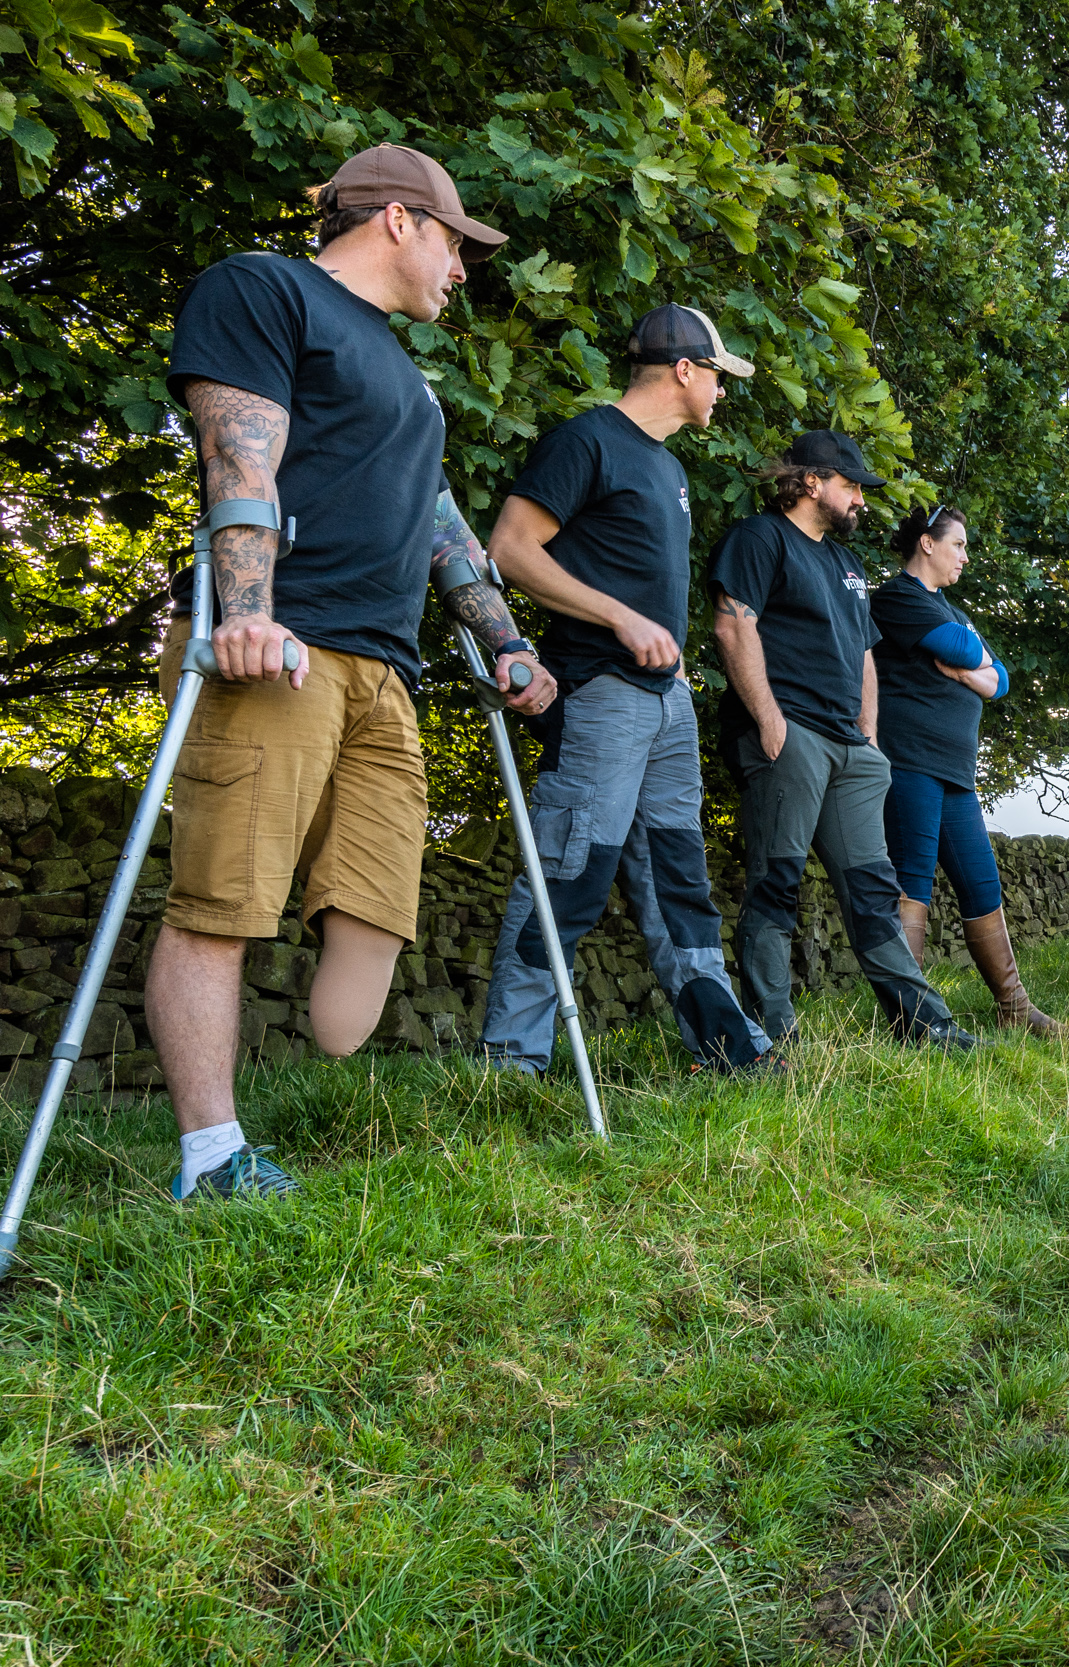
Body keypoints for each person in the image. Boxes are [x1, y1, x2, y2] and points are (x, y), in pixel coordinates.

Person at [153, 144, 551, 1201]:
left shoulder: (408, 380)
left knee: (372, 920)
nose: (464, 270)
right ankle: (210, 1156)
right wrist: (247, 615)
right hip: (283, 648)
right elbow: (240, 457)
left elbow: (436, 517)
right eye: (459, 244)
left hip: (385, 671)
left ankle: (281, 1095)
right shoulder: (264, 289)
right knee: (222, 902)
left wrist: (504, 638)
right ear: (396, 219)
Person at [477, 304, 775, 1074]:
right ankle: (511, 1057)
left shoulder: (670, 468)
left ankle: (725, 1047)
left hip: (668, 703)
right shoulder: (587, 442)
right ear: (684, 370)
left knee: (680, 875)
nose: (721, 392)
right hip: (601, 694)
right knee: (572, 870)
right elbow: (509, 548)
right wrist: (620, 618)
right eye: (717, 375)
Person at [708, 432, 983, 1051]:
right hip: (789, 735)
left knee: (873, 889)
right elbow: (733, 625)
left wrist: (870, 740)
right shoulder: (760, 539)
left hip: (850, 750)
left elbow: (864, 655)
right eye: (851, 485)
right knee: (776, 880)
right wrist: (770, 720)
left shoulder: (847, 564)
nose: (861, 499)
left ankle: (925, 1027)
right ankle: (771, 1038)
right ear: (810, 482)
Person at [871, 506, 1069, 1037]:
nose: (965, 555)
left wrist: (970, 667)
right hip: (910, 760)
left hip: (955, 769)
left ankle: (1014, 1006)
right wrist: (971, 662)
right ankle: (910, 1020)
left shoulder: (952, 611)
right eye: (958, 544)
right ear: (927, 544)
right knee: (911, 882)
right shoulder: (897, 598)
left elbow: (1000, 678)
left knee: (982, 883)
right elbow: (966, 650)